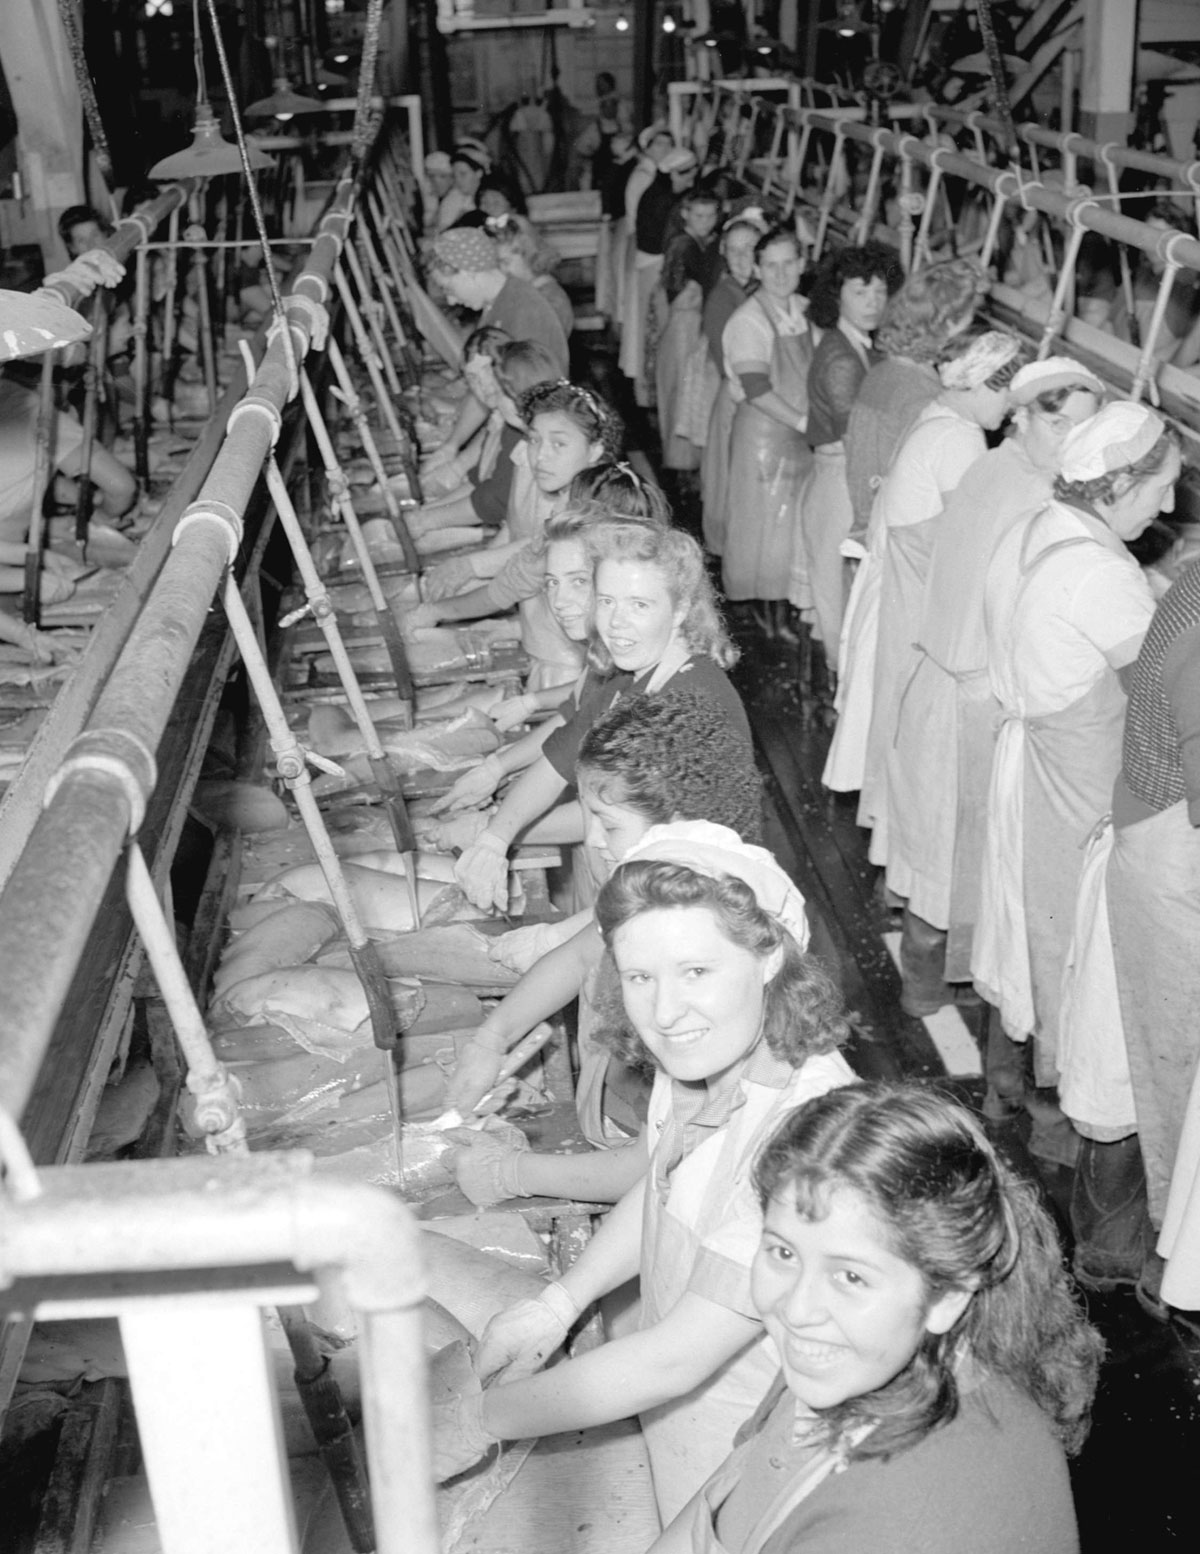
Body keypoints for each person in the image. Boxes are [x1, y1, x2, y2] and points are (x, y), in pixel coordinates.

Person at [432, 823, 855, 1523]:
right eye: (639, 977)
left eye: (696, 972)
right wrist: (560, 1303)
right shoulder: (700, 1065)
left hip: (759, 1464)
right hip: (680, 1431)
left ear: (771, 956)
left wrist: (481, 1419)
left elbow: (674, 1360)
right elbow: (664, 1192)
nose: (664, 1012)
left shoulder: (811, 1144)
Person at [648, 1084, 1101, 1554]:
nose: (797, 1309)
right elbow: (736, 1484)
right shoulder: (863, 1359)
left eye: (851, 1277)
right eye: (783, 1252)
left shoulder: (902, 1523)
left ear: (947, 1296)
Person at [445, 688, 766, 1198]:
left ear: (678, 821)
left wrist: (513, 1173)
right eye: (590, 816)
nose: (592, 838)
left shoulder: (703, 957)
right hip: (622, 1118)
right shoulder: (658, 888)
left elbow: (657, 1165)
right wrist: (492, 1038)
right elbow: (577, 958)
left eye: (608, 823)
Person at [884, 359, 1105, 1026]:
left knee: (938, 847)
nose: (1068, 439)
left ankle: (926, 984)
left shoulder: (993, 465)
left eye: (1082, 428)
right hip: (972, 690)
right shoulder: (1030, 495)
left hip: (944, 679)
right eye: (1056, 421)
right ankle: (928, 990)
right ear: (1023, 416)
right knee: (960, 852)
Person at [972, 402, 1175, 1103]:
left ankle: (1006, 1077)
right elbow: (1167, 697)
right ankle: (1063, 1120)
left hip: (1029, 765)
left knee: (1025, 926)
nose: (1171, 504)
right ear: (1115, 486)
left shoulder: (1037, 528)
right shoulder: (1101, 577)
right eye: (1160, 489)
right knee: (1076, 946)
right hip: (1078, 783)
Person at [451, 520, 750, 914]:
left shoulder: (685, 703)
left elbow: (663, 884)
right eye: (606, 601)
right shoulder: (631, 680)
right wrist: (495, 836)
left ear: (679, 610)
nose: (615, 622)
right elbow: (557, 760)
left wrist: (496, 833)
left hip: (685, 908)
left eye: (638, 605)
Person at [1057, 551, 1199, 1311]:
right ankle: (1164, 1279)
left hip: (1159, 844)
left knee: (1126, 1057)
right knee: (1170, 1078)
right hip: (1173, 867)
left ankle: (1114, 1248)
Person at [823, 330, 1021, 825]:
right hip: (909, 598)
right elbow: (970, 540)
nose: (1011, 414)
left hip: (894, 586)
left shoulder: (939, 417)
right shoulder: (960, 438)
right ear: (978, 384)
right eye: (1006, 397)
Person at [409, 380, 622, 691]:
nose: (540, 456)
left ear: (596, 450)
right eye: (534, 441)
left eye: (558, 444)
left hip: (570, 673)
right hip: (553, 656)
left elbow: (507, 589)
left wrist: (436, 611)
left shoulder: (580, 523)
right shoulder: (574, 503)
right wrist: (508, 628)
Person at [795, 243, 899, 656]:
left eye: (879, 293)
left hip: (845, 473)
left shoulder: (860, 345)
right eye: (860, 293)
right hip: (840, 478)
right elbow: (854, 432)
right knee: (836, 589)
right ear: (836, 296)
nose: (873, 304)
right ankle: (837, 684)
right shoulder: (840, 357)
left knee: (839, 584)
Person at [843, 258, 985, 544]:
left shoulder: (884, 371)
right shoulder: (922, 394)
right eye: (970, 320)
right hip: (899, 539)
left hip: (869, 524)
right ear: (946, 323)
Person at [720, 225, 813, 638]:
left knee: (792, 527)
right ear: (757, 267)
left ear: (802, 264)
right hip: (763, 435)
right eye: (770, 265)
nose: (779, 274)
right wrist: (805, 423)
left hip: (798, 434)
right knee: (763, 529)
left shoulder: (807, 312)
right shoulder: (748, 321)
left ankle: (787, 612)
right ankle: (764, 621)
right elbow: (756, 387)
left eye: (788, 263)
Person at [423, 227, 570, 485]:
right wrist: (452, 446)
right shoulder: (498, 303)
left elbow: (511, 406)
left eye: (449, 287)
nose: (451, 298)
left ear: (468, 273)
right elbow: (482, 390)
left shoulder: (523, 312)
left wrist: (461, 463)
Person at [410, 333, 559, 537]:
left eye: (488, 376)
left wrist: (427, 519)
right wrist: (425, 514)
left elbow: (495, 499)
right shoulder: (506, 422)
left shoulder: (519, 433)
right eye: (473, 379)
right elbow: (480, 481)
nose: (485, 388)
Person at [699, 209, 766, 558]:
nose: (742, 257)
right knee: (732, 478)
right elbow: (733, 365)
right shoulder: (723, 298)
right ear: (724, 251)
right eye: (735, 250)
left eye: (750, 248)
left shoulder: (760, 289)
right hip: (740, 398)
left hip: (759, 397)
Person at [621, 144, 697, 407]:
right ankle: (655, 394)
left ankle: (650, 392)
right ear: (674, 174)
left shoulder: (657, 192)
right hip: (655, 269)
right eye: (686, 175)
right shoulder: (664, 201)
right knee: (657, 332)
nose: (690, 181)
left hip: (650, 267)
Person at [656, 185, 724, 471]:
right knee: (684, 385)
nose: (705, 221)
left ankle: (681, 456)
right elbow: (680, 289)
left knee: (679, 386)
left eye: (710, 216)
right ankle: (682, 459)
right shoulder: (685, 245)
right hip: (686, 321)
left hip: (685, 319)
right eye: (699, 215)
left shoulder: (696, 242)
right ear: (685, 214)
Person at [488, 213, 574, 341]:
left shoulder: (549, 300)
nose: (501, 269)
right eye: (498, 263)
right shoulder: (525, 289)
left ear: (527, 255)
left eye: (505, 262)